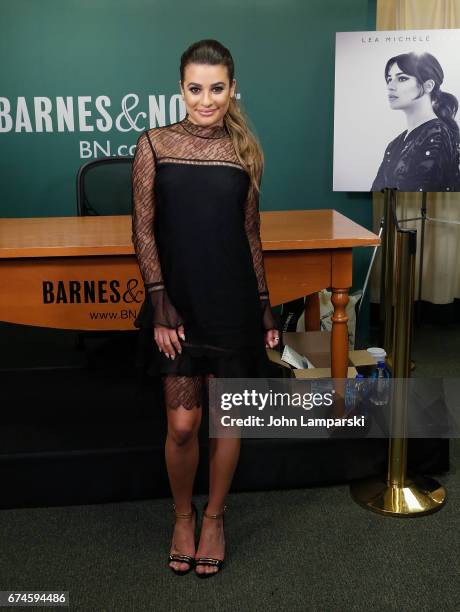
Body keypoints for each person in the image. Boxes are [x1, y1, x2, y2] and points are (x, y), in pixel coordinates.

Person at [131, 39, 280, 578]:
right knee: (182, 424)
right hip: (180, 304)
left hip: (234, 303)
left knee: (227, 417)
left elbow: (250, 235)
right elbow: (142, 228)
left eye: (217, 88)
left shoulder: (245, 151)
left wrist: (263, 306)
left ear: (232, 89)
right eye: (196, 88)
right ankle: (181, 515)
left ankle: (214, 517)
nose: (206, 99)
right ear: (181, 89)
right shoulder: (153, 144)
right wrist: (159, 302)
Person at [371, 51, 460, 192]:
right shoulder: (394, 144)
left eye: (402, 79)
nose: (390, 86)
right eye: (389, 79)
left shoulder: (437, 134)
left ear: (428, 85)